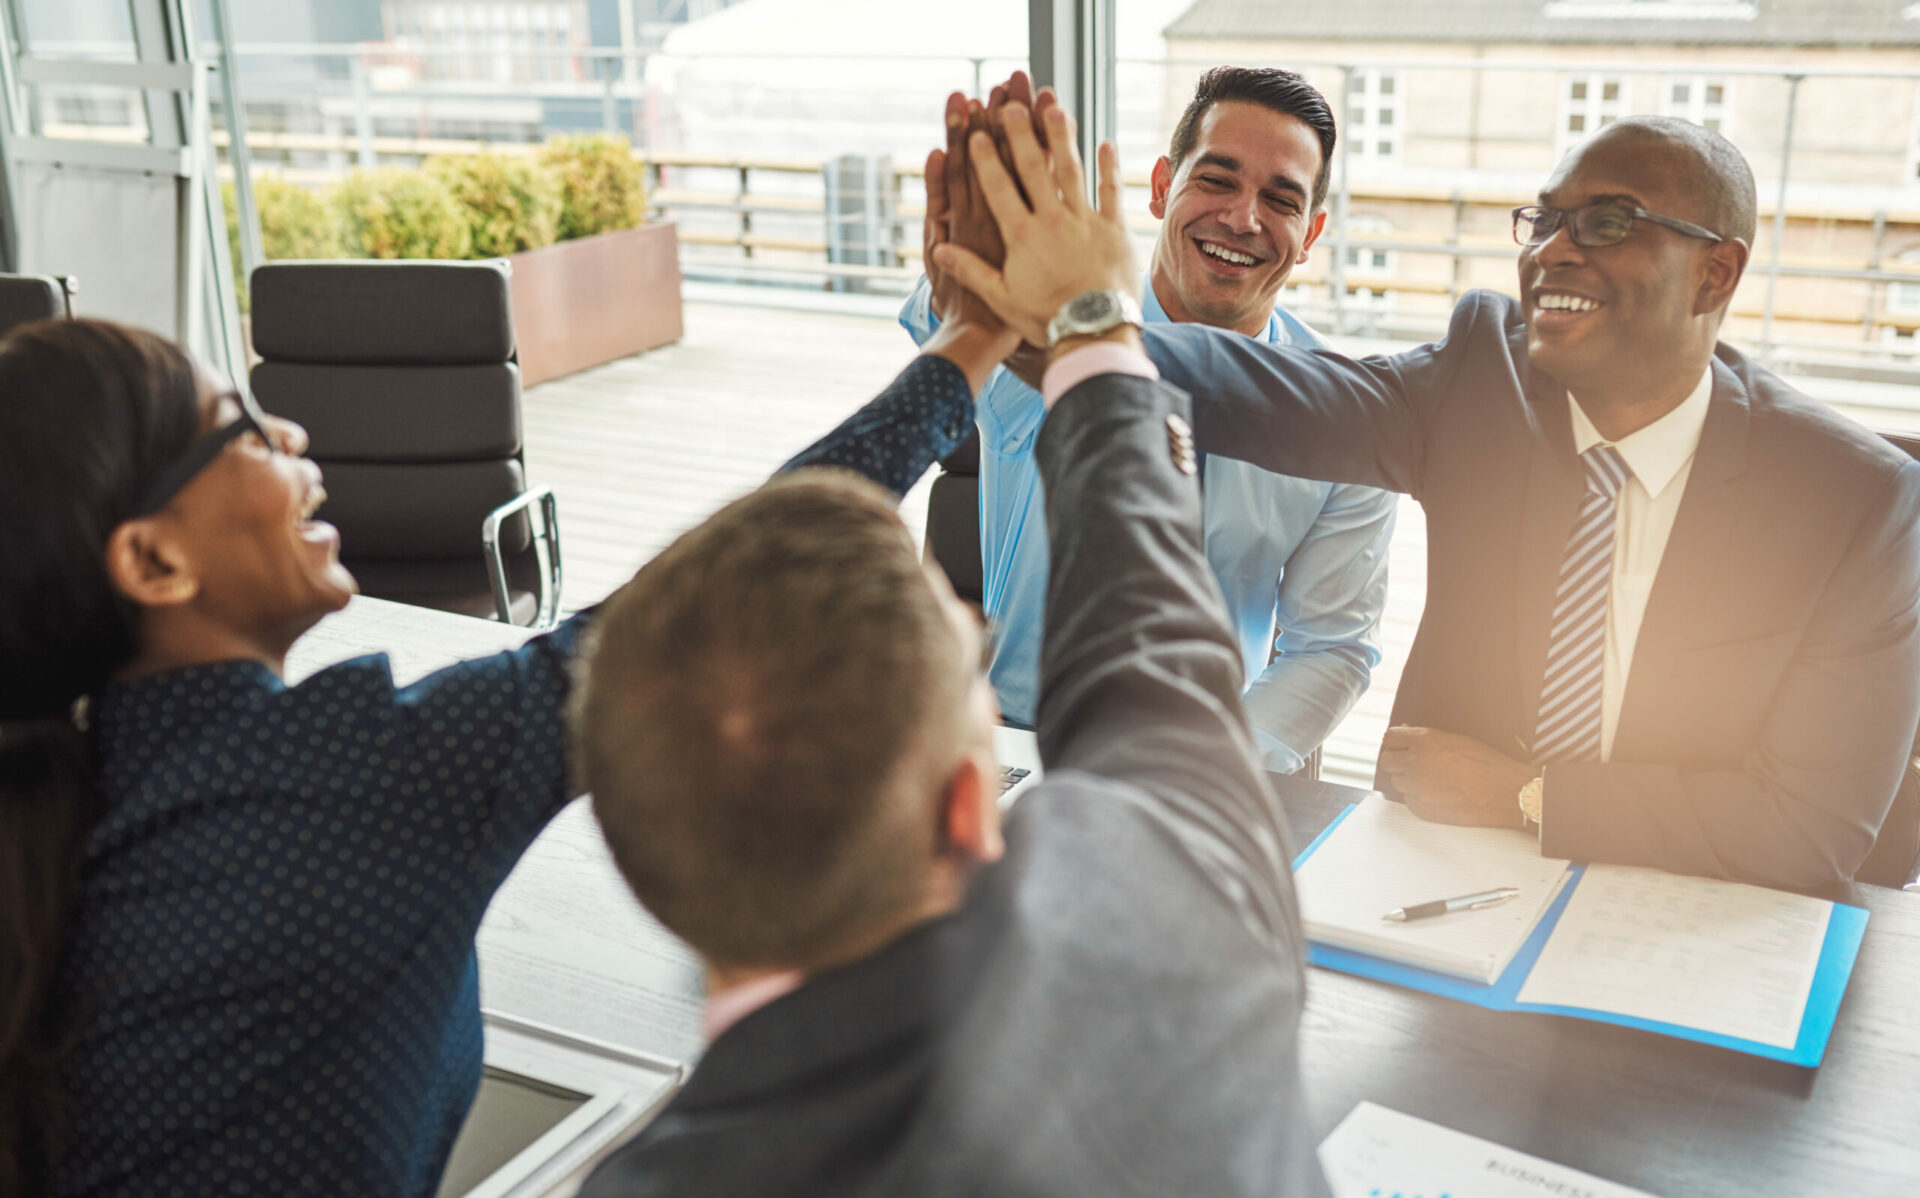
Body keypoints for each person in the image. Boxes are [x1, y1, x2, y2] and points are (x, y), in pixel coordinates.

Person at [0, 303, 998, 1193]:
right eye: (243, 430)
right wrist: (975, 338)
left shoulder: (72, 803)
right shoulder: (343, 780)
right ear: (154, 561)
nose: (291, 430)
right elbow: (714, 605)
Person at [574, 93, 1324, 1196]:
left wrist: (986, 328)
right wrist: (1095, 318)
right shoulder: (1180, 931)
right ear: (973, 811)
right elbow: (1155, 662)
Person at [942, 112, 1920, 893]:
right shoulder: (1485, 374)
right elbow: (1266, 393)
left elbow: (1813, 830)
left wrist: (1532, 795)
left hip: (1703, 917)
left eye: (1608, 223)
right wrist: (1054, 322)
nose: (1554, 254)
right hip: (1437, 892)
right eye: (1544, 222)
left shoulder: (1857, 504)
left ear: (1719, 269)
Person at [901, 68, 1393, 772]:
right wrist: (994, 267)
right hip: (1015, 740)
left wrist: (1210, 770)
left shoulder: (1345, 418)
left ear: (1311, 232)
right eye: (1217, 180)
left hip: (1203, 757)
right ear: (1162, 186)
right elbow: (941, 312)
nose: (1243, 218)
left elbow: (1331, 648)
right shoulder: (1053, 321)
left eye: (1280, 199)